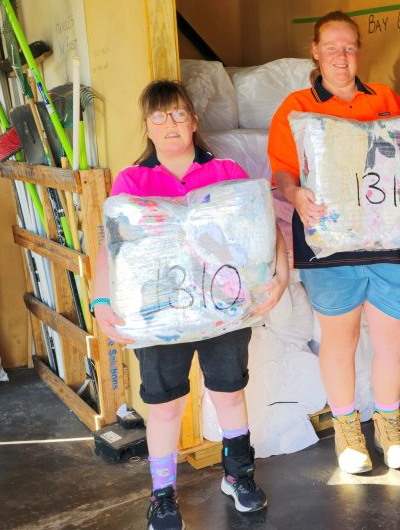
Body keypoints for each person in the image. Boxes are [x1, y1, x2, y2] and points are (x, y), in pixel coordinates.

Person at [92, 80, 288, 527]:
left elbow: (264, 228)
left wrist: (280, 275)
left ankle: (238, 475)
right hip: (159, 315)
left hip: (223, 310)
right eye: (159, 116)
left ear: (194, 121)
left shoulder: (226, 172)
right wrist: (101, 300)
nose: (170, 124)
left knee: (229, 393)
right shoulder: (132, 181)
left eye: (179, 114)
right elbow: (112, 249)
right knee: (164, 407)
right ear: (147, 126)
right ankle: (163, 495)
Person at [268, 10, 400, 474]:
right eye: (331, 47)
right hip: (328, 242)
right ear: (315, 51)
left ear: (358, 52)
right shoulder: (296, 106)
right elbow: (283, 171)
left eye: (349, 47)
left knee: (391, 338)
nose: (341, 56)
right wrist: (292, 193)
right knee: (340, 339)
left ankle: (389, 429)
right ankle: (349, 434)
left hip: (389, 237)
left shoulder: (386, 99)